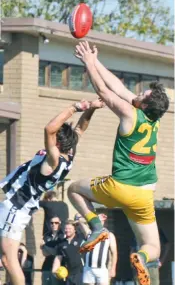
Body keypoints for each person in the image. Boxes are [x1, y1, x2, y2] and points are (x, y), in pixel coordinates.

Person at [68, 41, 169, 285]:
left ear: (144, 104)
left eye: (143, 94)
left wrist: (88, 63)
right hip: (144, 195)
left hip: (119, 186)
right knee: (152, 245)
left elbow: (104, 91)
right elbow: (118, 86)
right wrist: (97, 61)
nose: (139, 92)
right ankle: (141, 258)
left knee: (73, 189)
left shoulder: (130, 113)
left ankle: (97, 228)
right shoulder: (152, 119)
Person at [0, 98, 105, 285]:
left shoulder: (53, 161)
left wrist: (75, 108)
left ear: (56, 144)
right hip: (18, 207)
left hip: (16, 209)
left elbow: (49, 128)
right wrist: (92, 109)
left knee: (9, 260)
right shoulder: (69, 153)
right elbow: (80, 128)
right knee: (7, 260)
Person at [75, 213, 118, 285]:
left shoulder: (109, 235)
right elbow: (79, 219)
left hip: (102, 269)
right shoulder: (89, 233)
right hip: (88, 268)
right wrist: (87, 217)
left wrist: (113, 269)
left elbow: (114, 253)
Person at [52, 220, 84, 285]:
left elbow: (88, 231)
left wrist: (80, 222)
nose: (67, 230)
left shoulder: (81, 238)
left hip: (81, 273)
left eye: (69, 228)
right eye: (66, 228)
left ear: (75, 230)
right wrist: (54, 269)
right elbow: (58, 258)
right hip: (68, 273)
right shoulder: (61, 243)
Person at [41, 216, 64, 285]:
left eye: (56, 223)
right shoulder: (46, 235)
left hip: (59, 266)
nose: (54, 224)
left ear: (60, 223)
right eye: (52, 223)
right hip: (47, 265)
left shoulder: (62, 235)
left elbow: (57, 252)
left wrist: (45, 246)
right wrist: (48, 249)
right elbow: (44, 253)